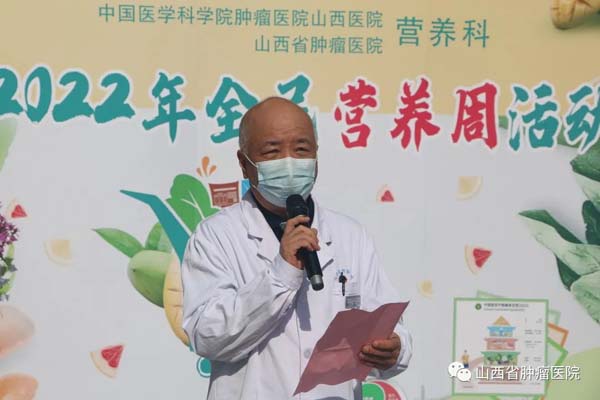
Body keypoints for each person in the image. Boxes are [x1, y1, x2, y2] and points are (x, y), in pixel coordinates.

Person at [181, 97, 412, 399]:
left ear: (316, 157)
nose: (289, 162)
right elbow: (207, 337)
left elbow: (387, 323)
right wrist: (281, 275)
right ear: (244, 163)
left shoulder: (351, 236)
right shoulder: (216, 236)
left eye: (301, 149)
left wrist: (394, 348)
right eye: (272, 151)